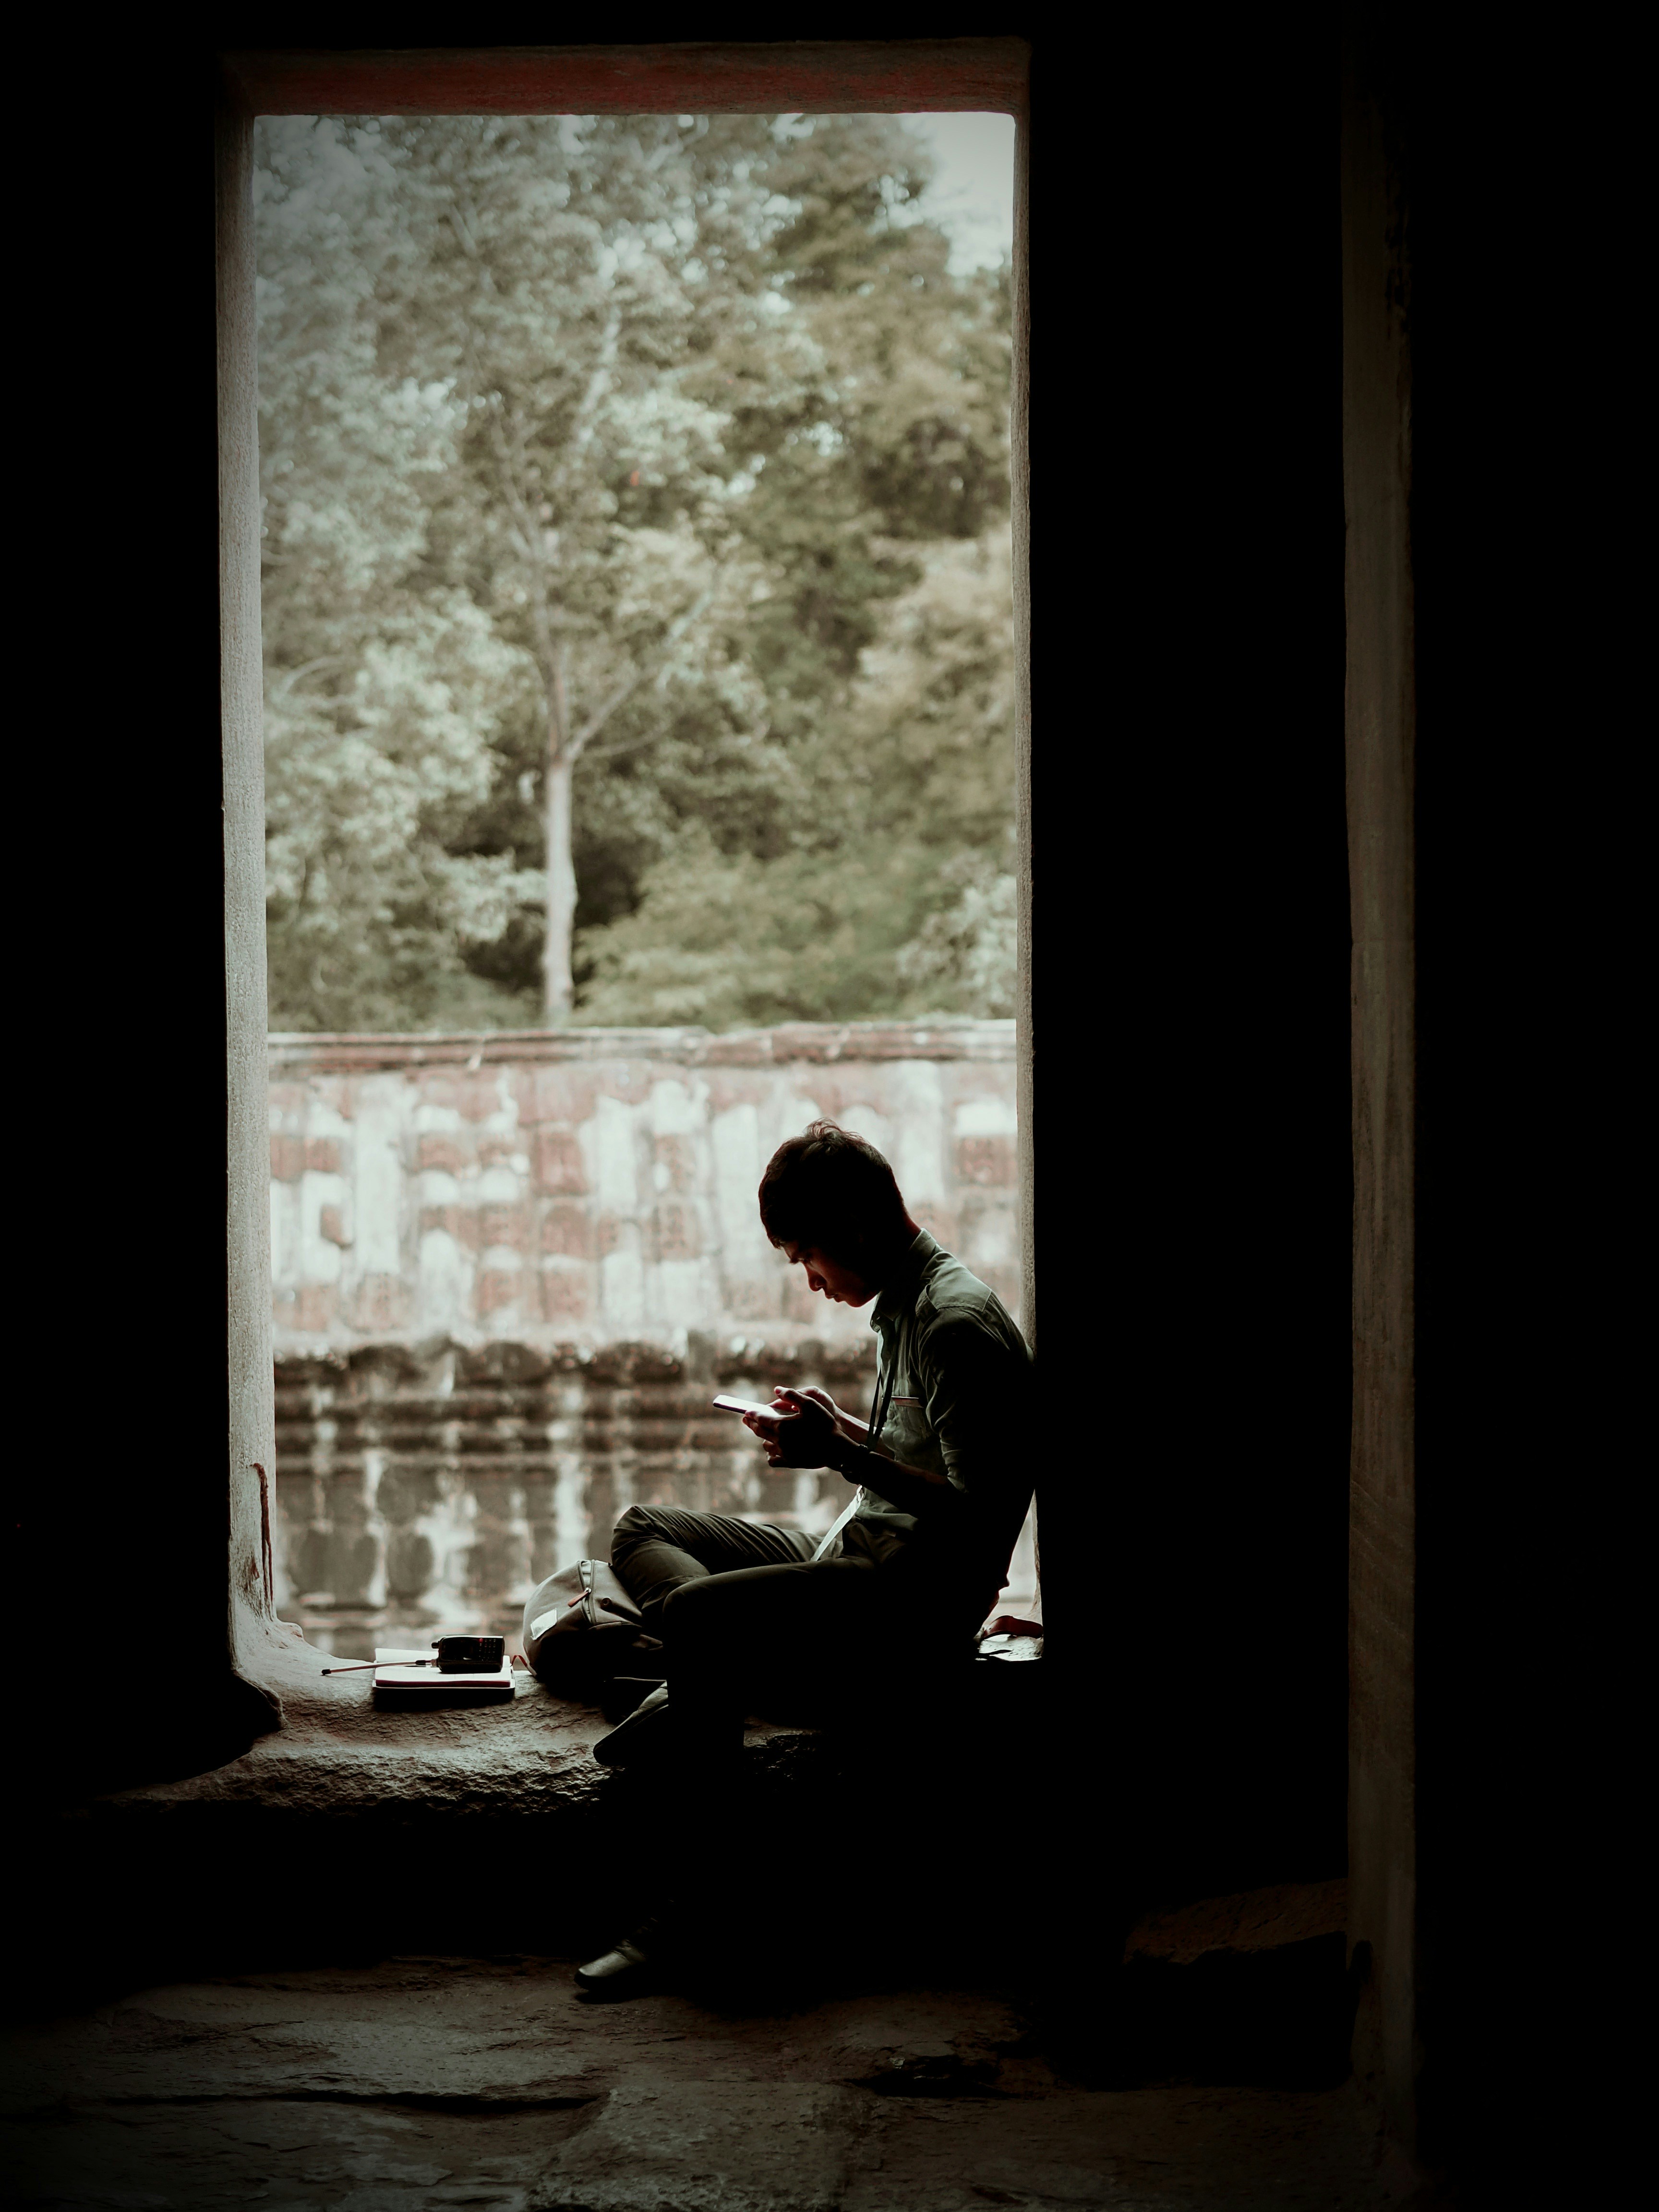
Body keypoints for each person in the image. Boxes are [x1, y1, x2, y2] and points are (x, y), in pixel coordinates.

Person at [573, 1118, 1032, 1996]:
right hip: (858, 1547)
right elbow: (924, 1451)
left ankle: (701, 1907)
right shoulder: (909, 1305)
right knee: (641, 1528)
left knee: (700, 1616)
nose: (813, 1283)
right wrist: (839, 1428)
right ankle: (705, 1673)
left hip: (907, 1598)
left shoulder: (953, 1324)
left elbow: (980, 1520)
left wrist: (843, 1456)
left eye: (808, 1258)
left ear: (856, 1231)